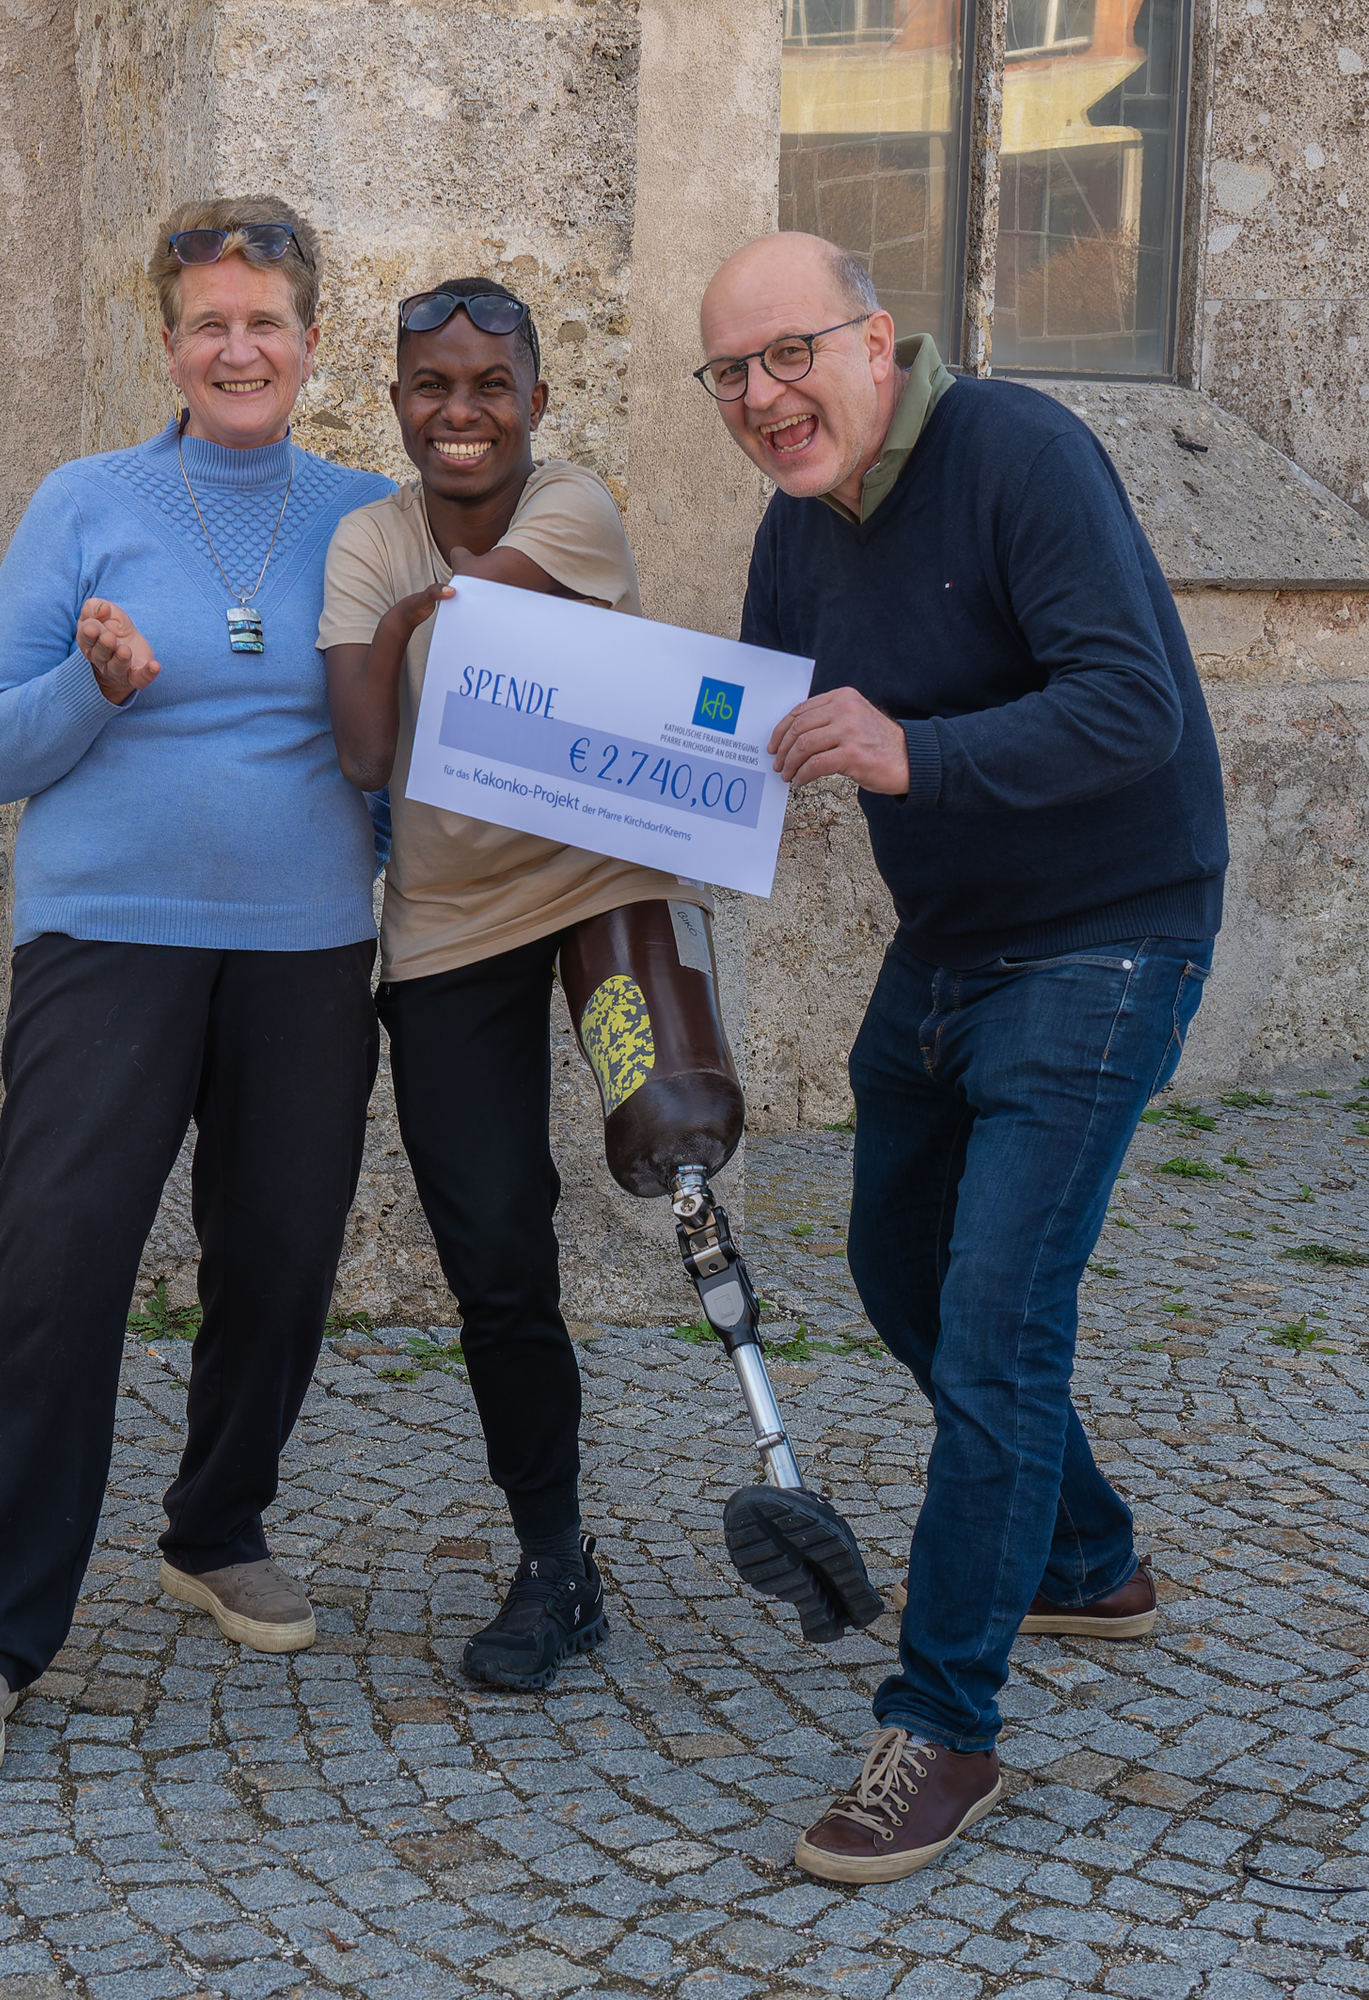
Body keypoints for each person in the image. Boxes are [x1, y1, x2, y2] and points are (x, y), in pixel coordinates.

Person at [698, 233, 1227, 1883]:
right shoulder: (798, 530)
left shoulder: (1020, 453)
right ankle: (1085, 1552)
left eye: (792, 356)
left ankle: (942, 1727)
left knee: (997, 1326)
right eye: (733, 375)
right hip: (949, 947)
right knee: (895, 1269)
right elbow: (748, 724)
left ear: (876, 340)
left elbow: (1133, 707)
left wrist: (911, 752)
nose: (768, 399)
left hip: (1112, 931)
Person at [0, 197, 393, 1790]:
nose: (236, 348)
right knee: (55, 1257)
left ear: (311, 343)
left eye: (263, 321)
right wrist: (93, 685)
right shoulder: (85, 501)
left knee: (280, 1252)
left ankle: (214, 1527)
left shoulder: (374, 519)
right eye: (206, 324)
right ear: (168, 345)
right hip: (108, 931)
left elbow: (409, 756)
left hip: (309, 940)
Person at [319, 279, 718, 1690]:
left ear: (537, 403)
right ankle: (557, 1560)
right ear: (398, 408)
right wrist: (416, 607)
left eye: (491, 384)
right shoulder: (368, 534)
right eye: (433, 386)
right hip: (450, 915)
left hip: (600, 882)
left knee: (679, 1124)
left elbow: (477, 626)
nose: (462, 411)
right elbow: (368, 754)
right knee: (495, 1241)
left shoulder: (577, 507)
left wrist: (409, 610)